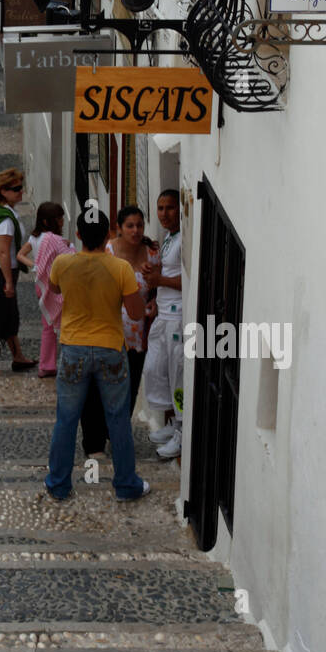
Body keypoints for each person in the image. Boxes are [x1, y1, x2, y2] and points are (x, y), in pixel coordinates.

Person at [44, 208, 150, 503]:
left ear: (77, 234)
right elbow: (135, 313)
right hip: (110, 350)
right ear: (108, 236)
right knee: (117, 418)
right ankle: (126, 485)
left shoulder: (63, 263)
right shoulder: (120, 269)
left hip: (74, 348)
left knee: (66, 418)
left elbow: (53, 287)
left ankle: (59, 484)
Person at [80, 205, 160, 459]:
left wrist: (156, 299)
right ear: (118, 228)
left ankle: (117, 434)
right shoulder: (108, 252)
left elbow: (159, 287)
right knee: (98, 387)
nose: (136, 230)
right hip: (107, 332)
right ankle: (94, 443)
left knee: (128, 388)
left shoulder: (152, 254)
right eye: (130, 226)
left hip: (137, 336)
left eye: (139, 225)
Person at [0, 168, 36, 375]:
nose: (21, 191)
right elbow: (3, 253)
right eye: (16, 189)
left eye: (21, 187)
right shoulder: (4, 220)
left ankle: (18, 356)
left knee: (10, 314)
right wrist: (8, 282)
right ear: (4, 191)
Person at [141, 188, 184, 459]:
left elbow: (187, 279)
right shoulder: (169, 238)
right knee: (155, 369)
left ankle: (181, 430)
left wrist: (160, 281)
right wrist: (154, 281)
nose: (164, 213)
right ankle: (173, 422)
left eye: (169, 208)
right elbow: (167, 273)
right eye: (160, 208)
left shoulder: (183, 239)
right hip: (163, 314)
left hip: (177, 317)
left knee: (178, 374)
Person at [16, 202, 74, 378]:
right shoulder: (54, 240)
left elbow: (20, 254)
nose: (62, 222)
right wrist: (70, 246)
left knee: (48, 326)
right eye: (59, 219)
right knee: (65, 324)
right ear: (48, 222)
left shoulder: (36, 238)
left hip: (41, 285)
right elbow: (70, 258)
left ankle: (46, 365)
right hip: (55, 286)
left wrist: (36, 266)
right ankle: (64, 363)